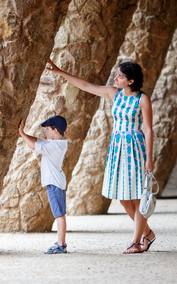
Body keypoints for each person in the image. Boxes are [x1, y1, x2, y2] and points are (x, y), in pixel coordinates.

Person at [46, 58, 156, 254]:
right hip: (117, 147)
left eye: (120, 76)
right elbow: (86, 85)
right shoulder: (115, 93)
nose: (116, 78)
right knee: (123, 198)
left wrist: (150, 158)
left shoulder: (142, 99)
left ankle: (136, 241)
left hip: (135, 148)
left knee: (138, 196)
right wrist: (60, 71)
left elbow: (148, 129)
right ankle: (148, 233)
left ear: (131, 81)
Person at [18, 115, 69, 254]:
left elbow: (34, 145)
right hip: (56, 181)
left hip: (54, 183)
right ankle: (61, 243)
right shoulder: (58, 143)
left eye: (48, 129)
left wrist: (22, 134)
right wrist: (25, 134)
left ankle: (61, 245)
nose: (45, 132)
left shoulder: (54, 147)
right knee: (59, 213)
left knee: (59, 214)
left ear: (55, 130)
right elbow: (38, 140)